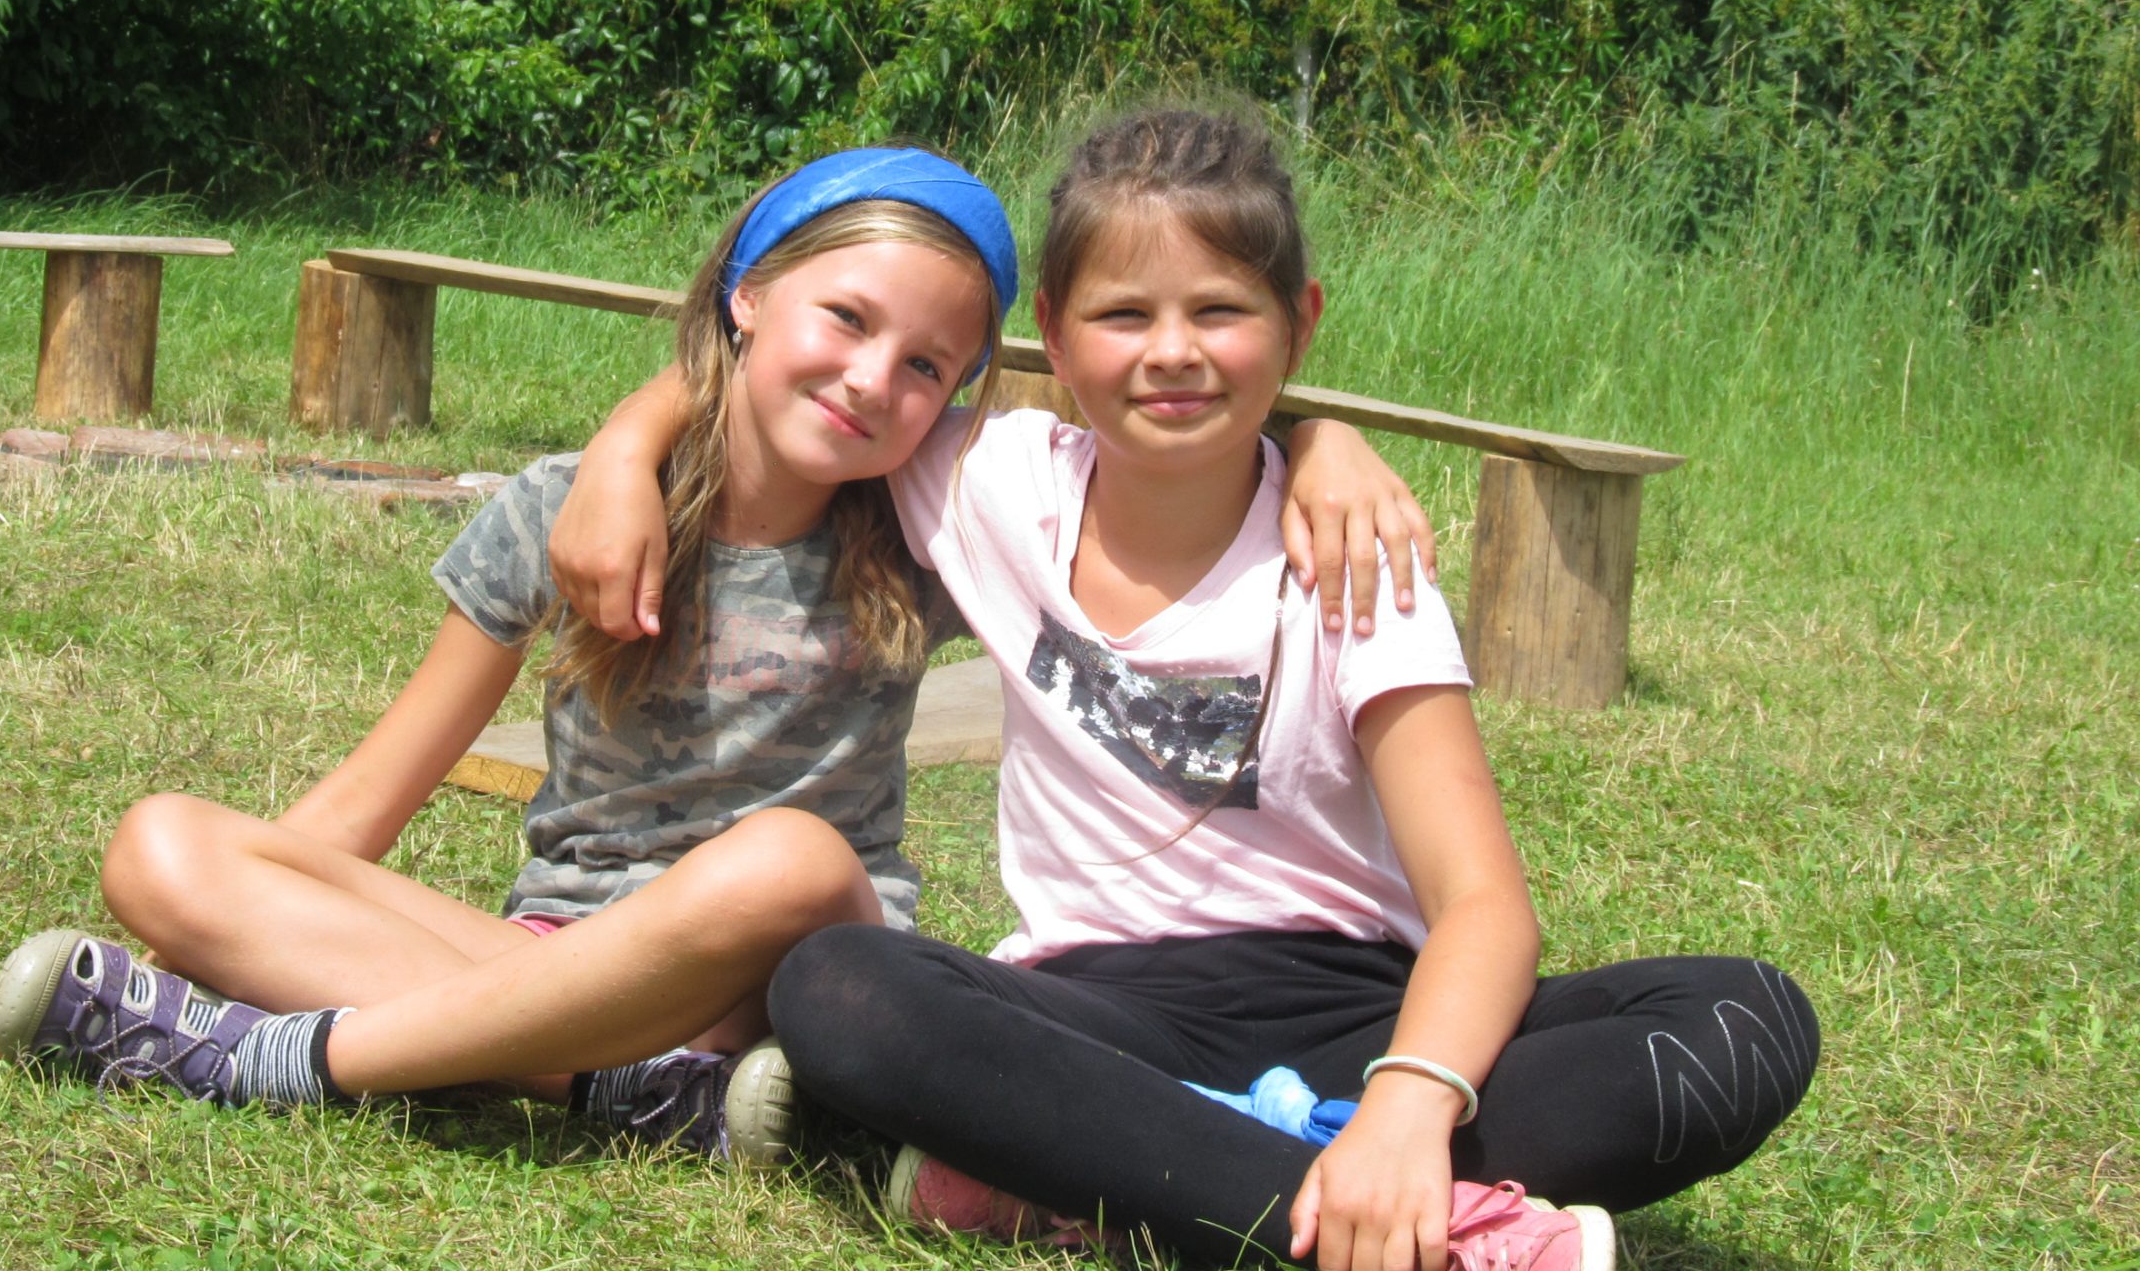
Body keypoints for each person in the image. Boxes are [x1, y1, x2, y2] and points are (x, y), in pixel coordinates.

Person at [0, 143, 1436, 1164]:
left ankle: (306, 1055)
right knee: (165, 844)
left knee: (782, 857)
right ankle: (639, 1094)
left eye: (928, 366)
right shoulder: (559, 512)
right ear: (749, 293)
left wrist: (1321, 442)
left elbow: (1158, 427)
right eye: (845, 319)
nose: (874, 380)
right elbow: (369, 801)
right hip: (545, 955)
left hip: (795, 964)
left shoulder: (934, 525)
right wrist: (178, 954)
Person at [553, 108, 1819, 1266]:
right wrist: (622, 448)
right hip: (1091, 1013)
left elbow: (1482, 907)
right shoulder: (986, 481)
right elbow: (777, 359)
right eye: (1123, 317)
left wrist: (1405, 1106)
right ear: (1054, 335)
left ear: (1298, 325)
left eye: (1220, 311)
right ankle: (1391, 1226)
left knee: (1744, 1020)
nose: (1172, 354)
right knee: (839, 985)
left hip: (1353, 1014)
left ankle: (1116, 1179)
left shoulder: (1355, 563)